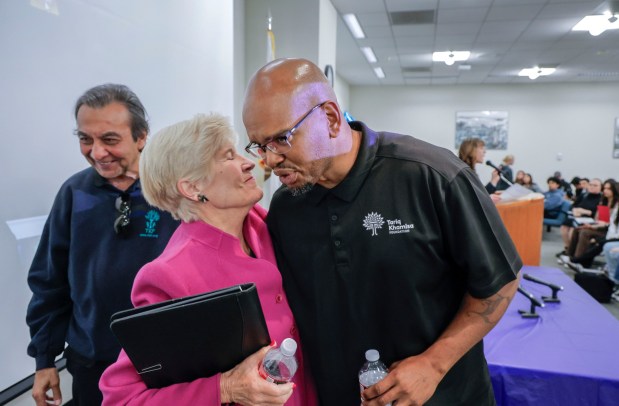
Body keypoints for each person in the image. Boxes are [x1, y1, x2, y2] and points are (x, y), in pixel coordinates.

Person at [242, 58, 521, 405]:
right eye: (258, 146)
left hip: (444, 395)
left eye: (280, 139)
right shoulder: (286, 207)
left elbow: (501, 279)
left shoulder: (430, 176)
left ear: (329, 118)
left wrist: (434, 365)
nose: (268, 160)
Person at [99, 113, 317, 405]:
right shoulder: (170, 276)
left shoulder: (261, 224)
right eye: (228, 156)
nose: (248, 162)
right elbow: (122, 398)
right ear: (192, 188)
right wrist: (226, 388)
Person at [26, 84, 180, 406]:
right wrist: (44, 359)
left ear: (141, 137)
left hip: (166, 366)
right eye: (85, 139)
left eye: (110, 140)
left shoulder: (175, 193)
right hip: (91, 365)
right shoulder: (74, 194)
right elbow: (49, 283)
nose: (96, 152)